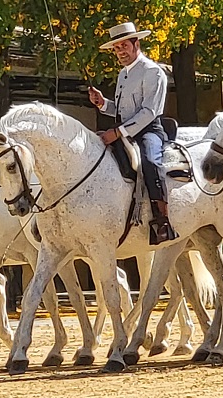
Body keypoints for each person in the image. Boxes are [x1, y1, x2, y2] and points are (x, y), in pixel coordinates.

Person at [88, 21, 178, 245]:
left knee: (149, 161)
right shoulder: (123, 74)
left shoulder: (153, 72)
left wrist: (117, 133)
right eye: (116, 48)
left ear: (136, 43)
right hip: (124, 131)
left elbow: (149, 111)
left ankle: (162, 220)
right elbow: (124, 111)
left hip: (149, 131)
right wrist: (102, 105)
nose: (120, 52)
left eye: (123, 46)